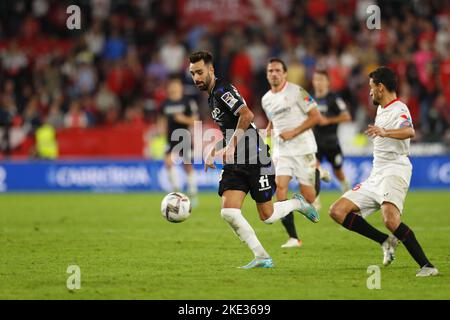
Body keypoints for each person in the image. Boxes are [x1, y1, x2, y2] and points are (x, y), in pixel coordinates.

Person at [188, 50, 319, 269]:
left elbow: (246, 115)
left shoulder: (223, 90)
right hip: (236, 161)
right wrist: (216, 148)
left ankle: (298, 204)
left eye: (200, 72)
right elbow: (234, 129)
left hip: (255, 158)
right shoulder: (211, 97)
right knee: (229, 212)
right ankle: (262, 256)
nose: (196, 78)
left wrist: (229, 145)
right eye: (192, 74)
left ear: (211, 70)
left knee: (266, 216)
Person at [329, 66, 438, 277]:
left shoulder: (400, 109)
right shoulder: (381, 109)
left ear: (380, 87)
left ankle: (427, 266)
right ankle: (385, 241)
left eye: (371, 87)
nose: (369, 92)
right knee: (337, 210)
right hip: (376, 173)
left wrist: (385, 131)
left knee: (390, 220)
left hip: (395, 170)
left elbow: (410, 131)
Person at [261, 58, 328, 249]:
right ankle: (293, 237)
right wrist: (267, 130)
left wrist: (294, 132)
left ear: (285, 73)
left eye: (277, 70)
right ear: (267, 74)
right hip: (282, 150)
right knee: (279, 190)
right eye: (270, 70)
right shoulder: (266, 99)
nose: (273, 73)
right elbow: (274, 119)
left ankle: (318, 172)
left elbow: (316, 116)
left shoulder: (297, 92)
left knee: (309, 197)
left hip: (303, 148)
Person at [312, 69, 352, 210]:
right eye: (316, 79)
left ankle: (348, 193)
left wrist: (328, 120)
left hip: (331, 142)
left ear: (328, 82)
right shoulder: (310, 100)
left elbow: (347, 116)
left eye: (321, 79)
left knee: (338, 171)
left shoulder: (334, 99)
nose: (318, 82)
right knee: (313, 169)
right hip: (315, 142)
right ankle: (315, 201)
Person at [159, 75, 199, 204]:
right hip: (170, 139)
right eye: (172, 85)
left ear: (181, 87)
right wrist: (162, 132)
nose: (174, 88)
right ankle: (176, 191)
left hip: (184, 137)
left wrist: (183, 119)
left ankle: (193, 193)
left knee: (187, 165)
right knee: (168, 163)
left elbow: (195, 121)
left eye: (176, 85)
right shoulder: (165, 103)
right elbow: (162, 121)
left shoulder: (187, 102)